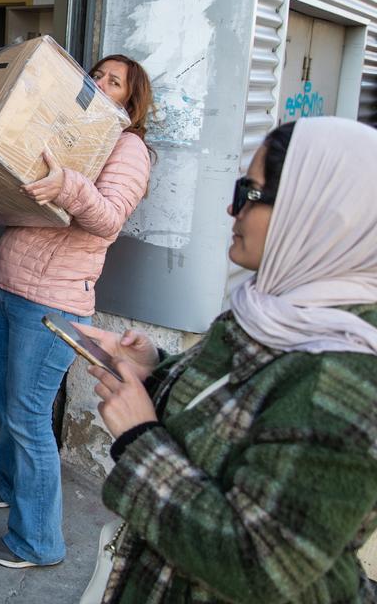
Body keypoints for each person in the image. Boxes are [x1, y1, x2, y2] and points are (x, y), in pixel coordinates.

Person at [82, 116, 377, 603]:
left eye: (249, 194)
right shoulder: (280, 308)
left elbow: (259, 563)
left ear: (317, 212)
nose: (230, 208)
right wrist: (154, 372)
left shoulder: (351, 375)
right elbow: (241, 411)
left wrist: (139, 439)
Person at [0, 54, 155, 569]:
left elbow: (108, 220)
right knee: (1, 398)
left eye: (114, 81)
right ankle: (12, 486)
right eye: (96, 75)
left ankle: (37, 543)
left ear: (131, 100)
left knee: (29, 416)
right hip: (7, 283)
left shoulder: (128, 148)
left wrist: (67, 185)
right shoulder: (61, 129)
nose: (100, 83)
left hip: (52, 300)